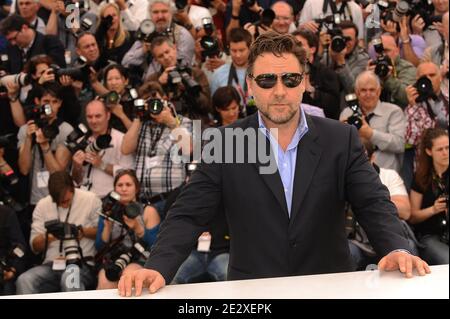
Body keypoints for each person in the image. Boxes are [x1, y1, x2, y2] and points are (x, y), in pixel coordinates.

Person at [118, 32, 430, 297]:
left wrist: (396, 248)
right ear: (251, 86)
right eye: (267, 80)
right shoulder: (224, 142)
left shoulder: (342, 138)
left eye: (290, 79)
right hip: (252, 292)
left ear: (304, 82)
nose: (279, 91)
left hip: (328, 287)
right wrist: (156, 267)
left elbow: (373, 202)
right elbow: (188, 214)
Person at [15, 171, 100, 294]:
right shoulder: (43, 204)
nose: (62, 205)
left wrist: (81, 231)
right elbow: (34, 246)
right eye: (58, 202)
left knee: (70, 279)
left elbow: (104, 235)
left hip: (81, 263)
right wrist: (50, 237)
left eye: (65, 201)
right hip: (51, 264)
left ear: (73, 189)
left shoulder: (90, 199)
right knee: (24, 280)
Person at [96, 169, 161, 289]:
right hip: (114, 258)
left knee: (129, 276)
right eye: (120, 185)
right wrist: (107, 228)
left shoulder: (148, 211)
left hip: (140, 257)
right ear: (114, 189)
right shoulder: (108, 210)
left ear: (136, 189)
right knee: (105, 280)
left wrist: (138, 228)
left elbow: (155, 246)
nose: (124, 189)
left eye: (128, 185)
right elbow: (99, 247)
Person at [339, 71, 406, 172]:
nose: (368, 94)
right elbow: (340, 147)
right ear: (357, 93)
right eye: (363, 90)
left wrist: (370, 134)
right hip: (354, 173)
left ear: (379, 91)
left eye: (372, 90)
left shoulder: (393, 111)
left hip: (386, 174)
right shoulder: (347, 114)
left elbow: (399, 144)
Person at [71, 100, 135, 198]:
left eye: (98, 116)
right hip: (84, 198)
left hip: (108, 200)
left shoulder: (121, 139)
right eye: (89, 117)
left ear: (108, 115)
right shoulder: (81, 140)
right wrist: (77, 166)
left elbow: (130, 175)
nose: (93, 121)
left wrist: (102, 165)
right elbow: (76, 180)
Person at [409, 128, 449, 265]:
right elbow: (412, 217)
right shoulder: (421, 178)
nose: (445, 153)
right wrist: (434, 209)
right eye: (440, 149)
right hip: (430, 236)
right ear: (429, 151)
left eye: (448, 147)